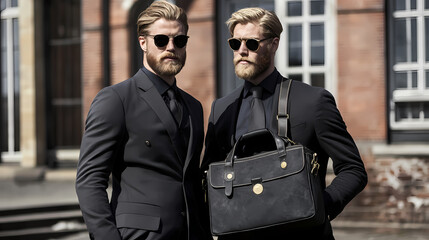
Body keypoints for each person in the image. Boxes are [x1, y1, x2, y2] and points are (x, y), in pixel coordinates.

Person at [201, 7, 367, 240]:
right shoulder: (222, 109)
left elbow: (353, 169)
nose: (242, 51)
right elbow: (207, 178)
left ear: (274, 43)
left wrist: (321, 208)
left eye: (251, 43)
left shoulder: (312, 101)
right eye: (235, 44)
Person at [76, 1, 212, 239]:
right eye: (161, 40)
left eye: (179, 40)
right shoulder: (115, 100)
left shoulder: (194, 107)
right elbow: (89, 180)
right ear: (142, 42)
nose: (171, 47)